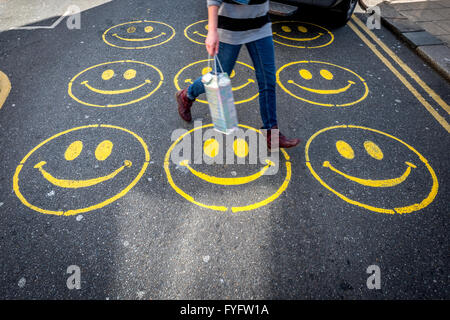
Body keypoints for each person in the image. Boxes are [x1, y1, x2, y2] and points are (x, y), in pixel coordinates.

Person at [176, 0, 300, 149]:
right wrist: (212, 30)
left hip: (260, 26)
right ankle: (186, 95)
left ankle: (271, 134)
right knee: (218, 77)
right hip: (230, 28)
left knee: (268, 80)